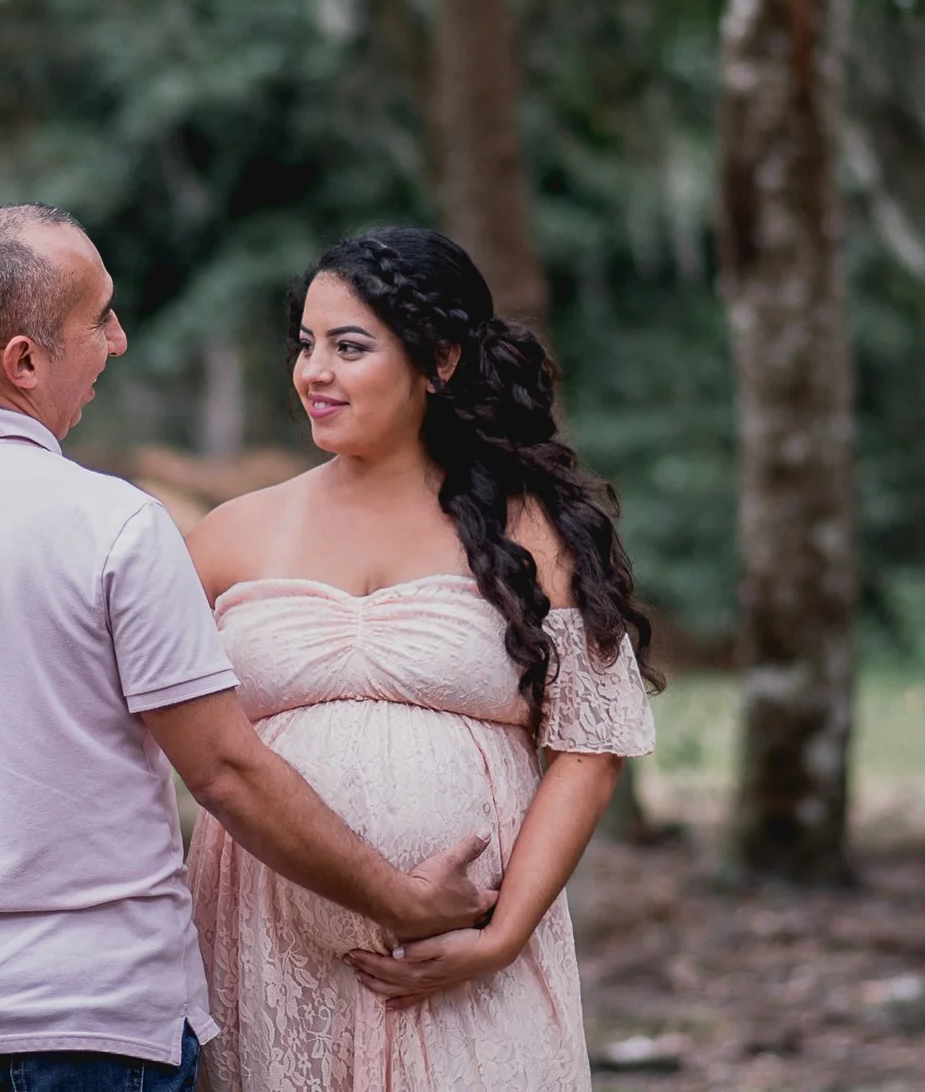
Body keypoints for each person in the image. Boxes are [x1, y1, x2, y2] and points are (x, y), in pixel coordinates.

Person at [0, 204, 495, 1092]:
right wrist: (399, 899)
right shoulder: (115, 526)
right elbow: (223, 770)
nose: (121, 339)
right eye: (98, 319)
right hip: (97, 1022)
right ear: (24, 362)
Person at [185, 226, 664, 1091]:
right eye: (305, 345)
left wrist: (501, 935)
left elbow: (591, 751)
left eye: (349, 346)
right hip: (262, 947)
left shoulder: (533, 532)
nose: (312, 373)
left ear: (439, 361)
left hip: (474, 972)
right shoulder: (227, 535)